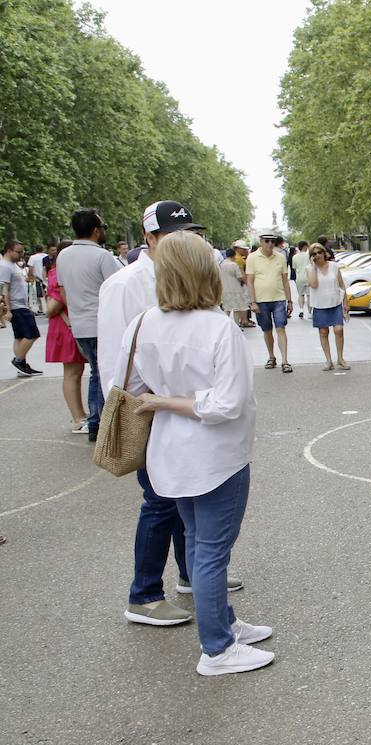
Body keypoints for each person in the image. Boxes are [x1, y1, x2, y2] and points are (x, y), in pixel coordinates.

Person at [118, 231, 272, 676]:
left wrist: (164, 398)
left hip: (169, 452)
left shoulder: (143, 323)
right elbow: (228, 404)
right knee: (210, 552)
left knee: (197, 540)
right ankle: (218, 648)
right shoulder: (218, 328)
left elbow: (129, 387)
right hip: (216, 456)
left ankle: (223, 625)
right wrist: (173, 400)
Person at [99, 199, 243, 627]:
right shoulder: (127, 286)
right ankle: (144, 593)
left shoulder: (189, 299)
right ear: (150, 238)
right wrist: (140, 408)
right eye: (171, 234)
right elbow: (117, 363)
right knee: (160, 504)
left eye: (187, 233)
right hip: (155, 415)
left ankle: (192, 575)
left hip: (178, 416)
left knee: (188, 513)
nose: (181, 241)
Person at [58, 208, 121, 439]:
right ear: (96, 230)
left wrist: (75, 314)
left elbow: (63, 291)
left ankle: (96, 422)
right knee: (102, 373)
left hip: (80, 323)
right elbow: (117, 287)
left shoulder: (63, 256)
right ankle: (98, 423)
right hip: (101, 323)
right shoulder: (102, 256)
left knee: (95, 371)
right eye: (103, 227)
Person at [43, 242, 89, 432]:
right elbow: (51, 308)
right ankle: (77, 417)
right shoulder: (57, 274)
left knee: (76, 372)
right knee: (72, 373)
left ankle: (80, 415)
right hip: (66, 328)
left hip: (72, 324)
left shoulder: (60, 272)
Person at [245, 232, 294, 372]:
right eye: (266, 241)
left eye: (272, 241)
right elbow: (250, 281)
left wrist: (290, 301)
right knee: (267, 330)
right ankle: (271, 357)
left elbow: (285, 280)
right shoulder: (252, 257)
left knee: (281, 328)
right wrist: (252, 302)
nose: (270, 244)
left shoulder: (280, 257)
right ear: (261, 242)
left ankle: (285, 361)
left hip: (279, 298)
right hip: (261, 300)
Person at [306, 242, 349, 370]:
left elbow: (341, 285)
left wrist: (346, 302)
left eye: (320, 252)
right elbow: (313, 285)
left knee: (338, 330)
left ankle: (340, 358)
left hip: (335, 302)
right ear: (311, 256)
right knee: (323, 332)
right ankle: (328, 360)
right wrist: (313, 267)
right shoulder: (309, 269)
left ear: (324, 253)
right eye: (314, 254)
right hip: (319, 304)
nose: (318, 255)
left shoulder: (334, 266)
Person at [3, 240, 43, 377]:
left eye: (22, 252)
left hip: (21, 304)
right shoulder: (4, 266)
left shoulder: (13, 265)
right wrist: (7, 309)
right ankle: (18, 360)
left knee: (20, 336)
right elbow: (4, 289)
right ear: (9, 250)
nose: (21, 255)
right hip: (16, 306)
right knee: (32, 334)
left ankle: (22, 364)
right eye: (18, 252)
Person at [219, 239, 251, 325]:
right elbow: (240, 277)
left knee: (227, 309)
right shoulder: (234, 264)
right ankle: (236, 325)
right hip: (236, 289)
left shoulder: (222, 264)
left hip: (225, 289)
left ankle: (224, 325)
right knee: (236, 309)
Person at [291, 240, 311, 319]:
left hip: (299, 278)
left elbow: (294, 268)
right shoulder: (309, 256)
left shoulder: (294, 257)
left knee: (301, 294)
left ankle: (301, 310)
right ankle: (309, 313)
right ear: (305, 246)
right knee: (309, 296)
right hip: (309, 277)